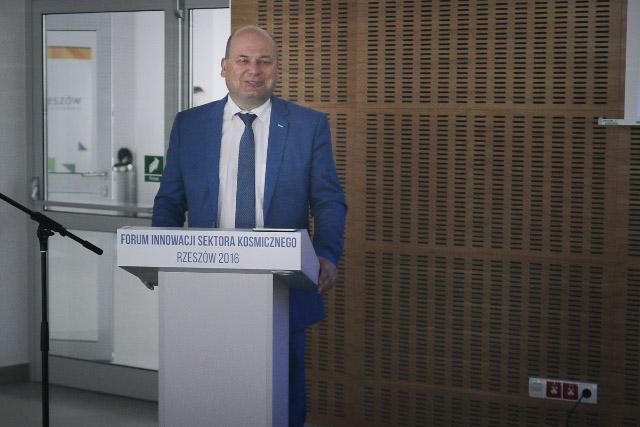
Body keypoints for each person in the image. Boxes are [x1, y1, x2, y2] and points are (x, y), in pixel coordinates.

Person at [149, 25, 346, 427]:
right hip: (203, 286)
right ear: (224, 67)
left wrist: (327, 254)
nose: (253, 70)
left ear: (276, 68)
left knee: (282, 396)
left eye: (264, 61)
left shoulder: (308, 126)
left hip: (283, 287)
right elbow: (170, 200)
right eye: (243, 60)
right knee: (210, 393)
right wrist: (157, 256)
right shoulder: (189, 125)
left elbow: (328, 199)